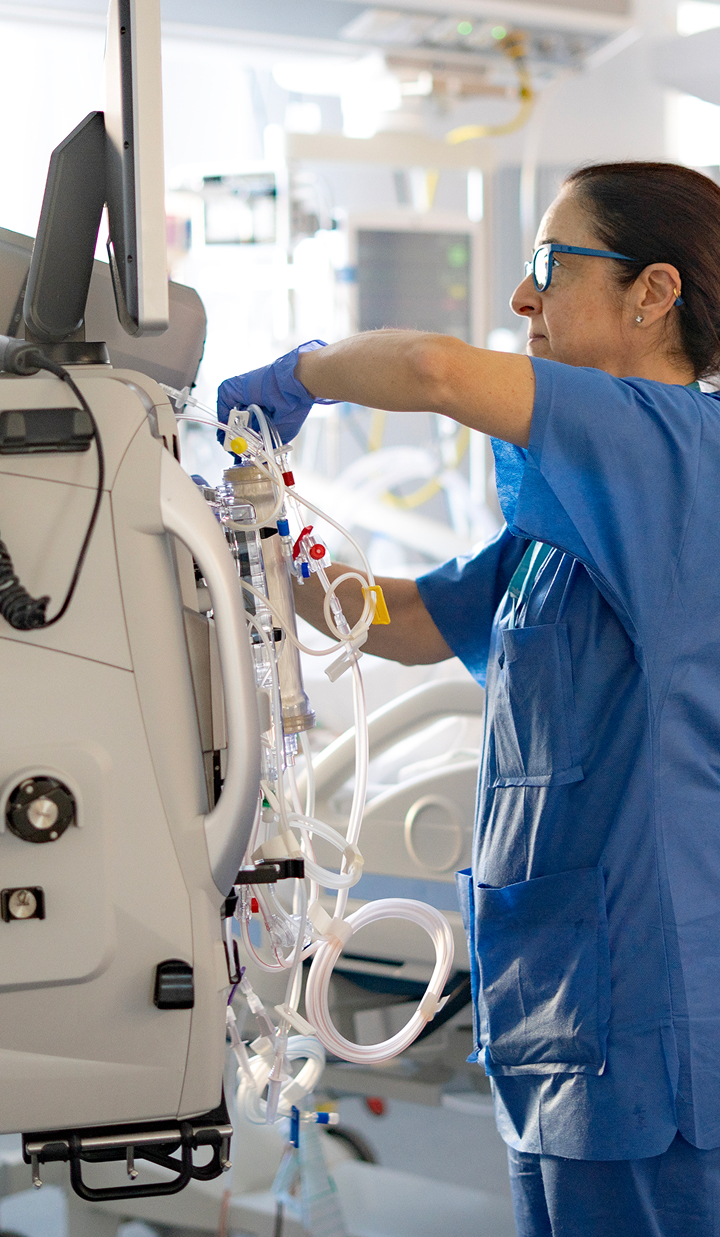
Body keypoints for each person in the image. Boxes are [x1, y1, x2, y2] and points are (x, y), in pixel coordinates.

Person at [217, 162, 720, 1236]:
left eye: (548, 265)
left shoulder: (679, 449)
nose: (522, 299)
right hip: (564, 1022)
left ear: (653, 292)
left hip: (648, 1033)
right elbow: (391, 619)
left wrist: (303, 373)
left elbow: (438, 371)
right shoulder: (563, 532)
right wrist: (254, 533)